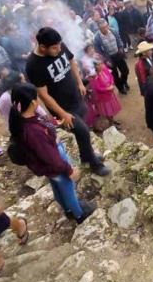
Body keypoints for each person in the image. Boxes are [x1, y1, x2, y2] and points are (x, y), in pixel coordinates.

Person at [25, 28, 110, 176]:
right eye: (54, 48)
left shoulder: (59, 45)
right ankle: (95, 165)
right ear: (42, 47)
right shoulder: (33, 65)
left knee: (83, 127)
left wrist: (79, 83)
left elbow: (72, 62)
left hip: (75, 97)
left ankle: (85, 156)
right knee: (83, 132)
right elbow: (44, 96)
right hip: (61, 107)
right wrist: (63, 114)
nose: (58, 50)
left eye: (59, 46)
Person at [9, 83, 94, 222]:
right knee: (68, 190)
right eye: (37, 98)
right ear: (32, 102)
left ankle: (67, 210)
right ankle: (79, 215)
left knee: (58, 187)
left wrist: (53, 127)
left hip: (47, 166)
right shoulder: (33, 131)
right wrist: (69, 170)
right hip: (55, 165)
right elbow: (51, 158)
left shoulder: (24, 120)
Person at [93, 19, 129, 94]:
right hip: (109, 59)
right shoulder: (97, 38)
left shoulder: (113, 31)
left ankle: (123, 82)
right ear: (99, 29)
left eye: (106, 26)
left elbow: (119, 40)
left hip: (118, 54)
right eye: (103, 28)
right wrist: (106, 61)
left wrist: (120, 48)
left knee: (125, 70)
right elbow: (99, 52)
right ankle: (121, 88)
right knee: (114, 75)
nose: (106, 29)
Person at [88, 56, 122, 125]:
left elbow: (111, 76)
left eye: (101, 63)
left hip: (110, 94)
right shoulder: (95, 76)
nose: (100, 65)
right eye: (98, 64)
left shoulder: (105, 70)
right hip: (103, 98)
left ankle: (113, 121)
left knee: (111, 110)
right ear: (95, 66)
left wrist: (112, 84)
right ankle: (111, 124)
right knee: (108, 111)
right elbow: (98, 88)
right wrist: (108, 88)